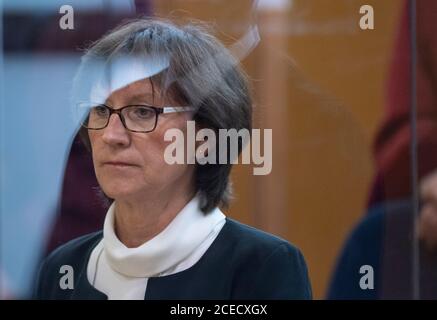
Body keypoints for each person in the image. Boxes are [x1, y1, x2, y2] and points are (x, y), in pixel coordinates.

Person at [33, 18, 312, 300]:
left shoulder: (261, 267)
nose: (111, 135)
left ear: (205, 139)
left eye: (142, 112)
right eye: (101, 111)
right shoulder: (63, 268)